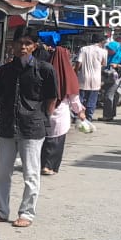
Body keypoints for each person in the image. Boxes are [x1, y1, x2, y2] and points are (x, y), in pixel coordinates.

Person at [0, 31, 57, 228]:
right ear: (11, 45)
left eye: (27, 43)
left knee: (30, 174)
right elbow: (0, 96)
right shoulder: (4, 71)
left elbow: (51, 98)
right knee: (2, 173)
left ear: (34, 46)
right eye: (19, 43)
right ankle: (0, 211)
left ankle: (27, 213)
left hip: (32, 127)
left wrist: (43, 119)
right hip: (6, 126)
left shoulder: (45, 69)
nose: (23, 47)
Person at [41, 36, 81, 176]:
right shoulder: (69, 74)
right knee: (56, 141)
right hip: (60, 113)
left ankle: (41, 164)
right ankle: (49, 166)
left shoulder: (44, 70)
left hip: (44, 112)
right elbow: (74, 97)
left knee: (44, 140)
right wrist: (80, 112)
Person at [76, 34, 107, 122]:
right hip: (96, 79)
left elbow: (78, 63)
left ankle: (78, 116)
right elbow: (103, 64)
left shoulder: (83, 49)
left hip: (83, 77)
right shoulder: (103, 51)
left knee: (80, 98)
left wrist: (75, 72)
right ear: (101, 42)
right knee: (92, 99)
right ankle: (89, 118)